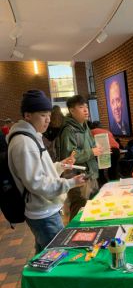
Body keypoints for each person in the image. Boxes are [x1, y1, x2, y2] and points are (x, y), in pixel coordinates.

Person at [7, 90, 87, 254]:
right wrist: (71, 183)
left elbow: (40, 171)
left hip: (45, 209)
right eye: (43, 115)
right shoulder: (23, 143)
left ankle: (37, 279)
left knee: (45, 254)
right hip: (43, 213)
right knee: (57, 255)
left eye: (49, 114)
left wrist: (60, 166)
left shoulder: (32, 136)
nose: (48, 119)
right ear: (28, 115)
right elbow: (37, 182)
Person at [59, 95, 103, 221]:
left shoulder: (85, 126)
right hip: (78, 178)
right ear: (72, 110)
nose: (86, 110)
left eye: (86, 107)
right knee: (79, 211)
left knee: (92, 209)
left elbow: (91, 147)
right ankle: (74, 238)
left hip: (91, 175)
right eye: (81, 107)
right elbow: (69, 157)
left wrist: (99, 150)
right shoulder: (69, 130)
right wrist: (91, 152)